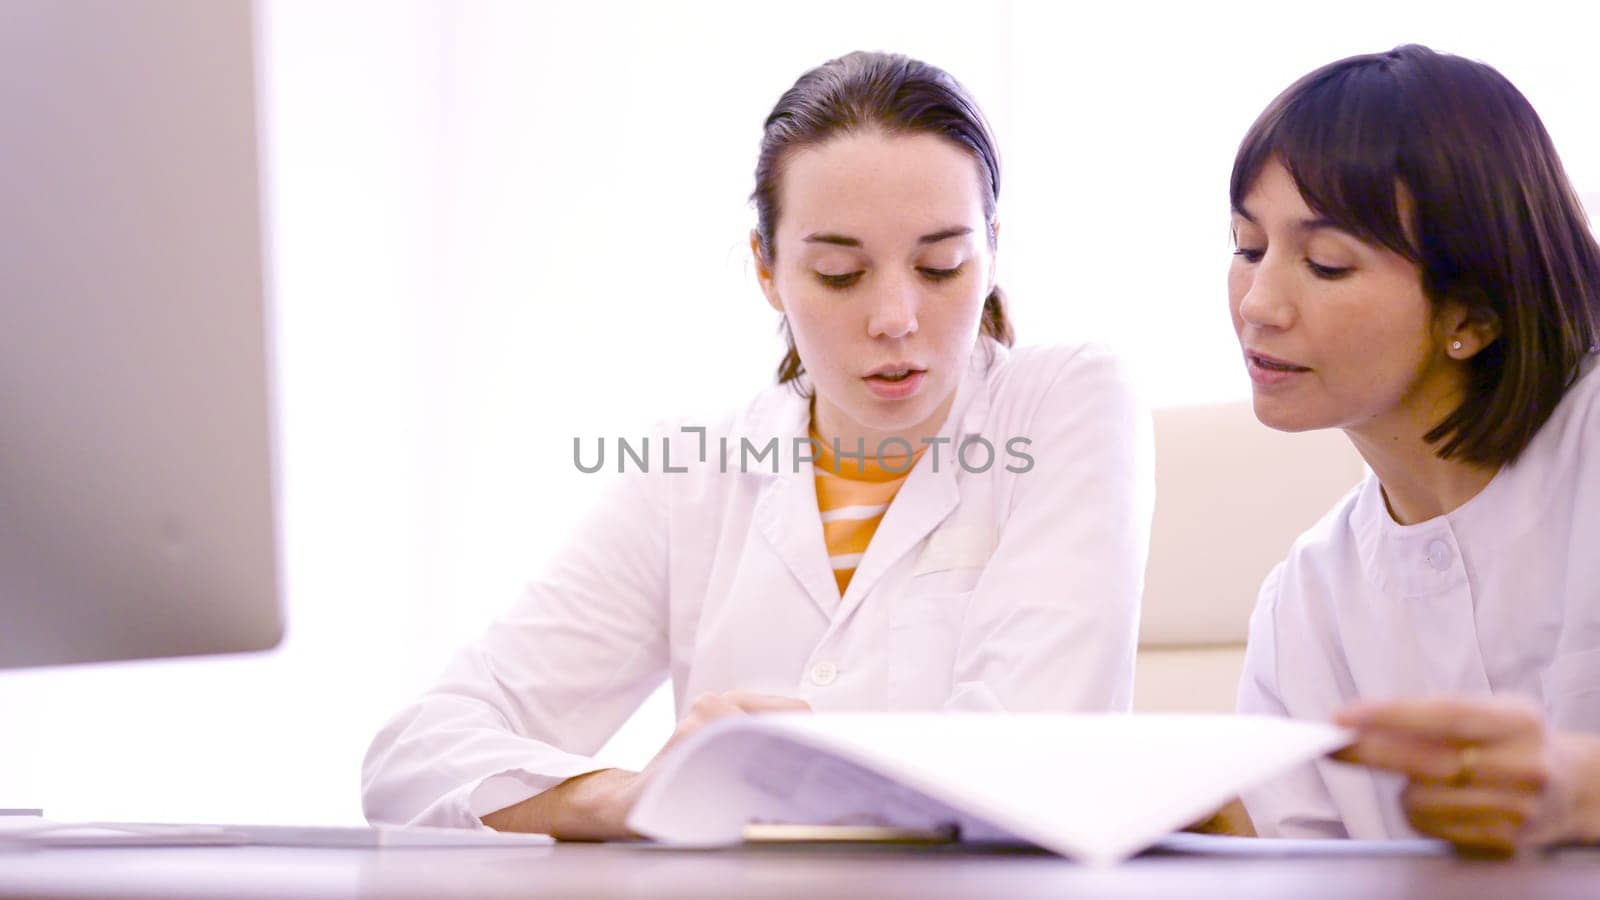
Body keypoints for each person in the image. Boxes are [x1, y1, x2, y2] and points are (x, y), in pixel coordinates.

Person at [362, 50, 1153, 840]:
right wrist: (633, 798)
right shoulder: (692, 475)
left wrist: (753, 784)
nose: (895, 317)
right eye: (841, 273)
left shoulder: (1069, 402)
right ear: (768, 270)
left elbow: (1029, 763)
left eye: (940, 265)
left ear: (990, 250)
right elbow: (414, 757)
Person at [1228, 44, 1600, 853]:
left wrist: (1581, 794)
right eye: (1248, 247)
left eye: (1326, 264)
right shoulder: (1307, 600)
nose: (1258, 304)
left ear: (1471, 315)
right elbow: (1301, 867)